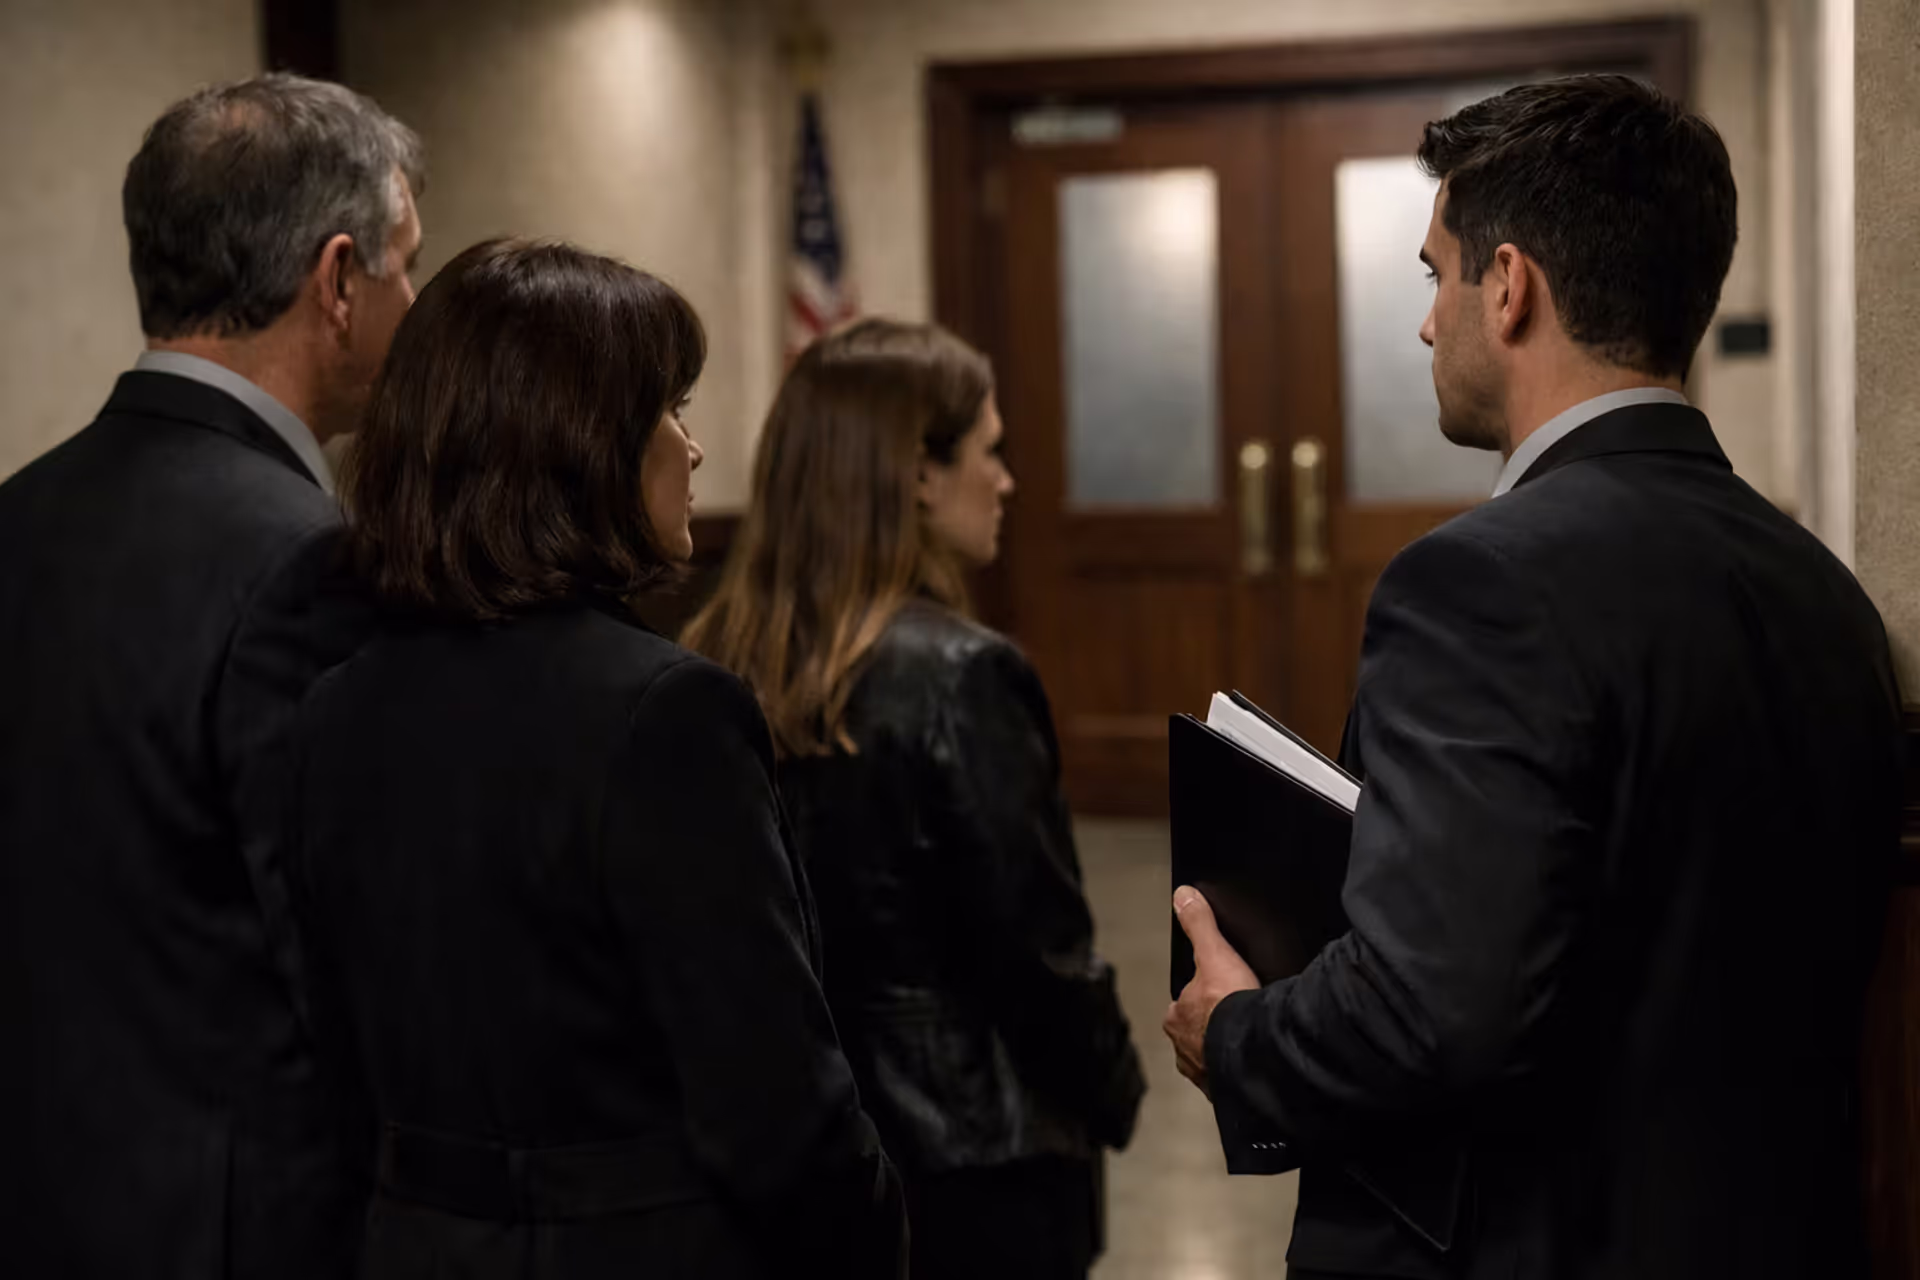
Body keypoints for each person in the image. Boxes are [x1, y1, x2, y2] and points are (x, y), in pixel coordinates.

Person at [1165, 75, 1905, 1280]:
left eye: (1432, 273)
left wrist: (1238, 1033)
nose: (1423, 324)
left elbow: (1429, 1010)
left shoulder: (1478, 586)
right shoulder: (1820, 586)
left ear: (1508, 287)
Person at [287, 238, 905, 1279]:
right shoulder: (668, 713)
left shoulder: (335, 706)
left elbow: (334, 1059)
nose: (694, 448)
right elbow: (774, 1105)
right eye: (671, 408)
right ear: (581, 444)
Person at [0, 75, 423, 1278]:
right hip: (242, 1230)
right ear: (339, 282)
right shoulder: (309, 562)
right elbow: (345, 963)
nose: (415, 303)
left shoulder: (14, 518)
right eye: (407, 267)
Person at [684, 318, 1146, 1280]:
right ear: (919, 475)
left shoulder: (710, 665)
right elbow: (1037, 952)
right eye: (991, 451)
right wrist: (1115, 1083)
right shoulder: (963, 678)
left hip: (798, 1162)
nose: (1008, 480)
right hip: (977, 1165)